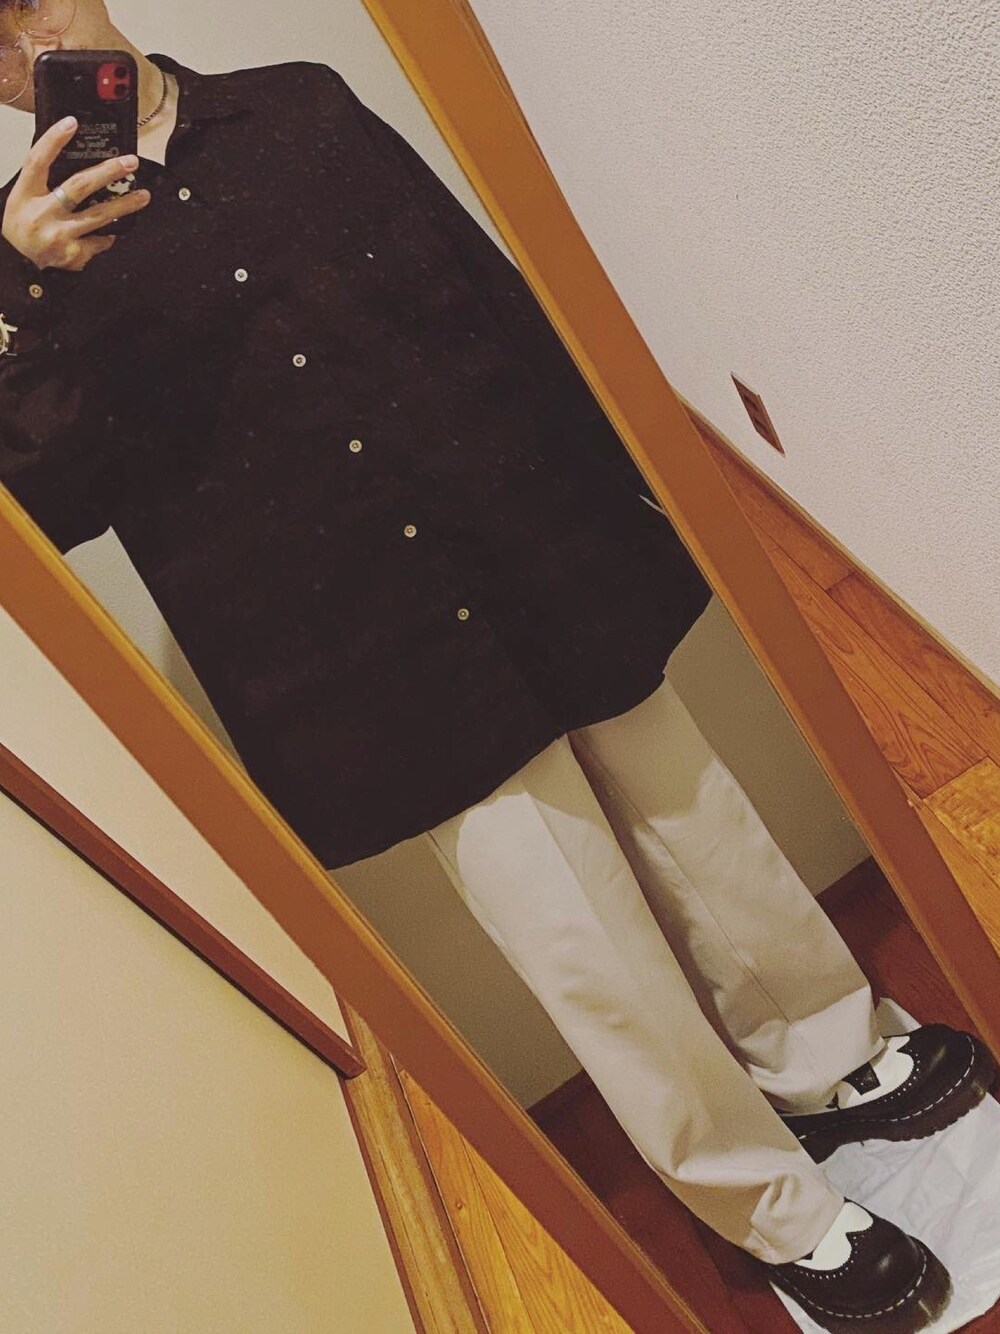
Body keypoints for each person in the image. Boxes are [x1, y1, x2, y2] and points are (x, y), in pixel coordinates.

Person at [0, 4, 995, 1329]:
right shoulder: (24, 267)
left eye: (30, 2)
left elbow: (482, 290)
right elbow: (44, 512)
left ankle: (827, 1055)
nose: (28, 48)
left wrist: (621, 483)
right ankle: (770, 1208)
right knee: (578, 933)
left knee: (693, 811)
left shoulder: (300, 104)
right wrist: (30, 294)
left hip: (519, 529)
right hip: (348, 640)